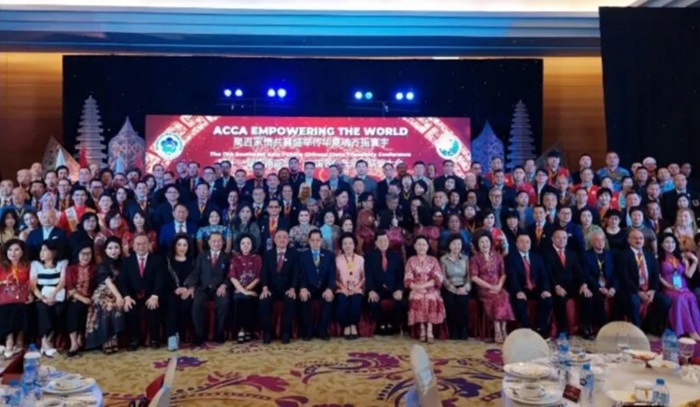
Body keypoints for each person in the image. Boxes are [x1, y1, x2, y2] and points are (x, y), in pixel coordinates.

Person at [616, 229, 672, 335]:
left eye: (641, 238)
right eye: (635, 238)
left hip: (649, 289)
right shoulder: (623, 255)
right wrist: (638, 292)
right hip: (632, 289)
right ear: (629, 240)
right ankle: (637, 330)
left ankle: (650, 325)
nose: (638, 240)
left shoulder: (649, 255)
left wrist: (653, 290)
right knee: (634, 301)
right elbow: (624, 278)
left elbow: (656, 275)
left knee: (665, 301)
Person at [119, 234, 165, 350]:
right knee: (130, 309)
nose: (141, 246)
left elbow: (161, 279)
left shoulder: (158, 260)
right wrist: (127, 297)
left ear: (149, 245)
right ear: (133, 246)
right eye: (138, 244)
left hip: (151, 294)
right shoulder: (127, 261)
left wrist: (155, 295)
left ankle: (154, 339)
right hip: (134, 295)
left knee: (153, 307)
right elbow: (122, 282)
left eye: (144, 243)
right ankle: (134, 340)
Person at [184, 232, 231, 345]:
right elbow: (196, 272)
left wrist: (224, 285)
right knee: (197, 304)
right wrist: (190, 286)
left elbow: (230, 275)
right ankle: (199, 335)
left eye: (219, 241)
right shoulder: (202, 255)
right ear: (209, 242)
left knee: (224, 303)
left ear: (223, 242)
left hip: (219, 288)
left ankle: (219, 333)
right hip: (203, 288)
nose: (216, 243)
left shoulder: (227, 257)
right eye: (214, 241)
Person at [470, 231, 514, 343]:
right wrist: (490, 286)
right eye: (481, 242)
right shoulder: (474, 258)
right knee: (496, 298)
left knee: (505, 295)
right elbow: (474, 277)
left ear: (491, 242)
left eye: (487, 241)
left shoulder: (498, 256)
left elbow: (503, 273)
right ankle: (497, 330)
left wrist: (499, 286)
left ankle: (503, 329)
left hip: (498, 286)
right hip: (484, 288)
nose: (485, 244)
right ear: (477, 244)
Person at [507, 233, 552, 338]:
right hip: (521, 288)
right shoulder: (511, 258)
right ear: (517, 244)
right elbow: (512, 277)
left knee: (547, 299)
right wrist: (518, 291)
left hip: (535, 288)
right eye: (522, 241)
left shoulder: (537, 257)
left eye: (527, 242)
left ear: (531, 244)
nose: (525, 244)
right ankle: (525, 329)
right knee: (519, 300)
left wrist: (545, 289)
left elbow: (544, 276)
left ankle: (541, 328)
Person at [85, 237, 125, 354]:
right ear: (106, 250)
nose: (113, 251)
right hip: (103, 291)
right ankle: (106, 340)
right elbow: (108, 282)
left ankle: (112, 339)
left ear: (120, 249)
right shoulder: (103, 264)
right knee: (108, 305)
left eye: (116, 247)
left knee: (114, 305)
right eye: (110, 248)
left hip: (119, 290)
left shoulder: (124, 263)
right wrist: (118, 296)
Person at [657, 233, 700, 340]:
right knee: (680, 299)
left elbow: (688, 275)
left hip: (683, 287)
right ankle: (690, 331)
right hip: (669, 288)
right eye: (667, 242)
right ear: (662, 244)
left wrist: (695, 261)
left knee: (691, 296)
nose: (670, 245)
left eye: (672, 242)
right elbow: (659, 277)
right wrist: (670, 287)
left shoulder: (680, 257)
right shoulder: (659, 258)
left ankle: (696, 329)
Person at [543, 230, 585, 337]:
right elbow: (548, 273)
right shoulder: (546, 253)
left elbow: (579, 271)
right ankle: (562, 329)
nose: (561, 240)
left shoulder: (572, 253)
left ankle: (584, 327)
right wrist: (556, 286)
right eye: (558, 238)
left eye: (564, 238)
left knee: (586, 296)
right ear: (553, 239)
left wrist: (583, 284)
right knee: (560, 299)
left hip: (571, 285)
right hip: (555, 286)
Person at [260, 230, 298, 344]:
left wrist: (293, 288)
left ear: (288, 240)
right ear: (274, 240)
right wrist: (264, 288)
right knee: (264, 301)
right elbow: (264, 273)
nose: (282, 239)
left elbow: (296, 273)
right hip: (271, 288)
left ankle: (286, 333)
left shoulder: (294, 254)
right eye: (279, 237)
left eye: (285, 237)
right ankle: (267, 333)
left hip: (287, 288)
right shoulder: (268, 254)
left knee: (290, 300)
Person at [405, 235, 445, 343]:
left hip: (430, 288)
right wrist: (417, 287)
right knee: (418, 298)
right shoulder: (411, 260)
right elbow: (408, 279)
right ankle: (422, 328)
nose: (421, 247)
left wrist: (423, 286)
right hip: (416, 288)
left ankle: (430, 329)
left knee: (430, 298)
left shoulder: (433, 260)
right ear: (414, 246)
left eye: (424, 244)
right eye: (419, 244)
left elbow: (438, 277)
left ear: (427, 246)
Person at [30, 241, 68, 357]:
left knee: (60, 308)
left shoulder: (62, 263)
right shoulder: (35, 264)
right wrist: (42, 298)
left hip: (57, 295)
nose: (41, 253)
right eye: (41, 250)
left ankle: (49, 339)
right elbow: (33, 285)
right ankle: (45, 341)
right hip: (41, 295)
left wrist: (54, 294)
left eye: (45, 250)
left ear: (53, 252)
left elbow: (62, 282)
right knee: (41, 308)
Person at [366, 231, 405, 336]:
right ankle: (380, 324)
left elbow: (400, 276)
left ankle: (393, 324)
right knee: (372, 302)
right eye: (380, 241)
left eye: (385, 241)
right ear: (375, 243)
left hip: (393, 289)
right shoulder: (369, 257)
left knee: (401, 302)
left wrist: (399, 290)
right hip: (377, 289)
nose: (383, 243)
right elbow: (368, 276)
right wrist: (371, 290)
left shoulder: (396, 256)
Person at [298, 230, 335, 341]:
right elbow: (300, 275)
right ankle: (308, 330)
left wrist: (329, 289)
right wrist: (303, 288)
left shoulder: (329, 255)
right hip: (309, 287)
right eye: (312, 240)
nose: (315, 243)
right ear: (308, 241)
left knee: (328, 298)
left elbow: (332, 275)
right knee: (304, 298)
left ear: (321, 241)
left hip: (323, 287)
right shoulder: (302, 256)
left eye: (317, 240)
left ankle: (322, 330)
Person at [580, 231, 617, 338]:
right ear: (592, 242)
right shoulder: (586, 255)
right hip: (594, 285)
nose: (600, 242)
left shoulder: (610, 254)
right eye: (597, 240)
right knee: (595, 297)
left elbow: (615, 273)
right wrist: (600, 288)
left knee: (623, 297)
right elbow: (587, 275)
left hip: (609, 285)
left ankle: (615, 326)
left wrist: (613, 288)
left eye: (602, 240)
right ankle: (595, 327)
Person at [64, 244, 97, 357]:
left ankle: (80, 337)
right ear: (77, 254)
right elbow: (70, 288)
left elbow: (98, 285)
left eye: (89, 254)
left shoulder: (95, 268)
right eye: (83, 254)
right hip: (75, 298)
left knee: (84, 307)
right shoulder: (70, 269)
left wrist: (91, 298)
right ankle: (74, 342)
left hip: (91, 298)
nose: (86, 257)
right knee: (73, 308)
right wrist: (82, 299)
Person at [0, 239, 30, 358]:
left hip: (23, 296)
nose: (13, 253)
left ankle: (18, 339)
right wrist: (3, 282)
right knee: (8, 308)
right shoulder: (2, 266)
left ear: (22, 252)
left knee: (20, 307)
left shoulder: (27, 266)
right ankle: (9, 340)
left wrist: (30, 294)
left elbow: (30, 282)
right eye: (10, 250)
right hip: (4, 297)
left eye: (16, 250)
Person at [164, 234, 195, 351]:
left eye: (185, 245)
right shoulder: (168, 260)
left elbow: (196, 277)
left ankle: (179, 332)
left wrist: (190, 289)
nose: (182, 248)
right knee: (173, 302)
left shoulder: (192, 260)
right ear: (174, 246)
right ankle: (171, 336)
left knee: (186, 303)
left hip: (187, 291)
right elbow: (165, 278)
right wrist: (175, 289)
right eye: (179, 245)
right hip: (171, 290)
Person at [229, 234, 261, 343]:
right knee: (240, 298)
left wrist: (246, 290)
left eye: (248, 243)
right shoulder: (234, 259)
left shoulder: (257, 258)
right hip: (238, 289)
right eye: (243, 243)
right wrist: (244, 291)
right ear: (239, 245)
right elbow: (233, 278)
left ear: (252, 245)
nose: (245, 246)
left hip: (253, 288)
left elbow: (258, 277)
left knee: (249, 299)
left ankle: (249, 329)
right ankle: (241, 329)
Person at [335, 233, 365, 340]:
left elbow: (364, 277)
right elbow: (334, 277)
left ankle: (353, 325)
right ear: (341, 246)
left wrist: (356, 288)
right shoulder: (337, 259)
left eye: (350, 243)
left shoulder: (360, 259)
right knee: (342, 302)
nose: (348, 246)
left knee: (356, 303)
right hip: (341, 289)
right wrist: (343, 288)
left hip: (357, 289)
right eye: (345, 243)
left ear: (354, 245)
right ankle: (347, 325)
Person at [440, 234, 470, 340]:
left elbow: (469, 277)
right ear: (449, 245)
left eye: (459, 244)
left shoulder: (466, 259)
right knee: (450, 302)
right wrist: (454, 289)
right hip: (449, 287)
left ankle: (463, 330)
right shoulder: (443, 259)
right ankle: (453, 330)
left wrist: (465, 288)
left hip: (463, 286)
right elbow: (443, 278)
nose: (456, 246)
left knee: (463, 302)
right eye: (454, 244)